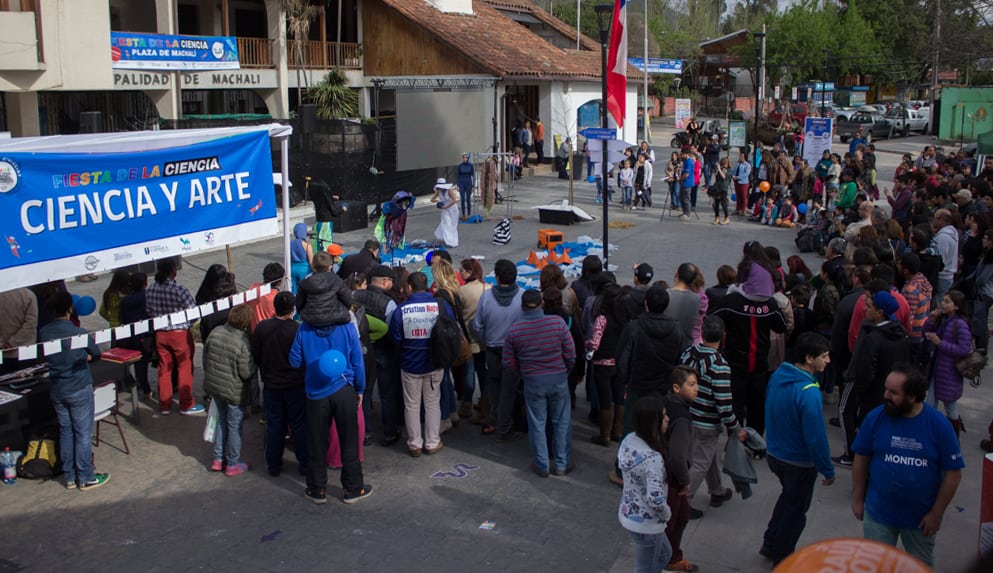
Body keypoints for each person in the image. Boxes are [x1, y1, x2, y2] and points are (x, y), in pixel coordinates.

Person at [851, 364, 964, 568]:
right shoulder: (875, 418)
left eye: (893, 393)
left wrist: (936, 514)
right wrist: (858, 498)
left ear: (912, 397)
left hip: (920, 521)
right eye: (886, 389)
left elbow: (953, 474)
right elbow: (861, 458)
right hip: (878, 514)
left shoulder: (938, 425)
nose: (885, 395)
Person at [289, 289, 371, 505]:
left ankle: (317, 488)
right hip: (344, 389)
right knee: (349, 440)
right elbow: (357, 360)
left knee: (316, 442)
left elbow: (294, 360)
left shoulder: (305, 329)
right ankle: (353, 488)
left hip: (316, 392)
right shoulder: (346, 327)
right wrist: (360, 388)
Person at [761, 332, 836, 566]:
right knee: (796, 513)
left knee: (788, 499)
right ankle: (782, 558)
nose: (828, 361)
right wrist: (827, 469)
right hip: (798, 462)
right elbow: (815, 437)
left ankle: (770, 543)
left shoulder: (779, 376)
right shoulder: (809, 392)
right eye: (824, 356)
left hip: (775, 453)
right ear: (809, 358)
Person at [38, 291, 109, 491]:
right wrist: (85, 358)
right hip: (78, 386)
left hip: (57, 388)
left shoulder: (44, 333)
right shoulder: (77, 332)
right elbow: (96, 353)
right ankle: (86, 476)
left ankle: (69, 476)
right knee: (83, 433)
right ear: (70, 309)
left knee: (66, 431)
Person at [503, 290, 576, 477]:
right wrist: (564, 371)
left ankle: (541, 464)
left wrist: (524, 373)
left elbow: (508, 362)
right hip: (558, 378)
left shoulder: (514, 330)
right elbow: (571, 353)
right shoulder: (557, 323)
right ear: (542, 303)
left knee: (537, 423)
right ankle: (562, 463)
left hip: (533, 382)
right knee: (561, 422)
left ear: (522, 306)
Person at [835, 289, 911, 467]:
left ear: (880, 312)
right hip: (886, 393)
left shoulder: (874, 338)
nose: (865, 310)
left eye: (869, 307)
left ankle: (852, 457)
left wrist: (861, 391)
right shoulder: (900, 334)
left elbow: (866, 370)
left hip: (871, 395)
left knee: (850, 414)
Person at [682, 316, 743, 519]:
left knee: (707, 457)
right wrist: (735, 427)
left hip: (688, 415)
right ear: (723, 336)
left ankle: (717, 490)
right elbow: (724, 404)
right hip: (708, 421)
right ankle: (682, 502)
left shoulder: (688, 354)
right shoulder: (719, 364)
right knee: (700, 462)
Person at [389, 272, 453, 456]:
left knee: (411, 404)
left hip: (410, 363)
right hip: (435, 362)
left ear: (409, 287)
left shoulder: (401, 310)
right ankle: (432, 442)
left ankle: (414, 443)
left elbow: (395, 337)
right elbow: (451, 328)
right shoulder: (440, 306)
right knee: (433, 402)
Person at [253, 291, 308, 478]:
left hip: (271, 384)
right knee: (299, 425)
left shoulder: (262, 328)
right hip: (295, 385)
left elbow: (256, 355)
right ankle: (304, 464)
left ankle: (273, 465)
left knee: (275, 425)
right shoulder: (298, 330)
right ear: (293, 309)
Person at [618, 395, 672, 572]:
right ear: (653, 422)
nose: (667, 419)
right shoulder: (653, 459)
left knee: (665, 554)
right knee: (645, 568)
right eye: (663, 416)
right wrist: (666, 513)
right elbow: (655, 499)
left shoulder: (629, 440)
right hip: (647, 524)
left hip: (629, 513)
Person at [472, 259, 524, 439]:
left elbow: (477, 325)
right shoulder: (522, 297)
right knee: (513, 388)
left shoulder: (486, 297)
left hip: (492, 349)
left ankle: (498, 419)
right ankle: (511, 420)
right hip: (515, 351)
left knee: (494, 386)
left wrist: (485, 340)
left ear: (497, 277)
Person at [203, 304, 257, 476]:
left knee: (221, 420)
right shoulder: (243, 342)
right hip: (234, 391)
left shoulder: (216, 332)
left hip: (215, 386)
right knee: (234, 426)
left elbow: (205, 358)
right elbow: (247, 372)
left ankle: (218, 459)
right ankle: (233, 463)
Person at [145, 258, 203, 416]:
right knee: (184, 368)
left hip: (160, 334)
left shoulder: (151, 289)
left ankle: (165, 404)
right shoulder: (179, 289)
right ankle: (186, 404)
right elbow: (193, 311)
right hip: (179, 335)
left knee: (164, 369)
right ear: (172, 271)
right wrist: (188, 324)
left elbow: (149, 311)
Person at [663, 366, 701, 573]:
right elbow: (678, 456)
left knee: (682, 515)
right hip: (673, 477)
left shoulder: (668, 404)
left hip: (667, 474)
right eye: (692, 385)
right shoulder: (682, 418)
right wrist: (685, 479)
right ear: (677, 388)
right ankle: (668, 558)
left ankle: (671, 555)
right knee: (675, 518)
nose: (697, 389)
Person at [586, 283, 632, 446]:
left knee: (605, 399)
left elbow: (595, 342)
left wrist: (587, 344)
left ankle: (604, 435)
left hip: (602, 363)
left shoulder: (602, 319)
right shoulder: (626, 318)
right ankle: (618, 430)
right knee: (619, 397)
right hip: (619, 362)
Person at [923, 290, 972, 438]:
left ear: (956, 306)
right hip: (936, 369)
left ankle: (953, 435)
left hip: (950, 372)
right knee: (930, 404)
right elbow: (925, 333)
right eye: (943, 301)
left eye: (947, 302)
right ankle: (929, 434)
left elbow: (964, 349)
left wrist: (940, 343)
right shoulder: (942, 319)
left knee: (950, 406)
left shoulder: (960, 324)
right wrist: (931, 320)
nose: (943, 304)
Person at [459, 258, 490, 421]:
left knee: (469, 372)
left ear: (469, 272)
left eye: (462, 270)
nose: (460, 273)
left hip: (468, 338)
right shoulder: (488, 288)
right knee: (483, 372)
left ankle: (466, 403)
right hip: (484, 339)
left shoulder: (462, 291)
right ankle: (485, 403)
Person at [118, 273, 153, 400]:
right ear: (145, 283)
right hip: (148, 334)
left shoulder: (125, 300)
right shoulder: (148, 296)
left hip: (132, 335)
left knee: (139, 364)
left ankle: (144, 388)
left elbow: (121, 318)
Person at [296, 251, 352, 328]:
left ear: (313, 266)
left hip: (311, 320)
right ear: (330, 266)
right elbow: (347, 300)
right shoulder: (337, 280)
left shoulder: (304, 283)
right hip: (335, 318)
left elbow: (299, 305)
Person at [664, 263, 702, 342]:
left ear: (676, 274)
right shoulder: (696, 299)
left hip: (666, 341)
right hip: (686, 344)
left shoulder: (665, 294)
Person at [309, 180, 346, 253]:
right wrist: (343, 209)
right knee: (326, 244)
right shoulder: (326, 197)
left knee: (317, 243)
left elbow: (324, 200)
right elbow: (334, 212)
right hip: (326, 223)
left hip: (318, 221)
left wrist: (332, 197)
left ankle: (317, 258)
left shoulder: (316, 196)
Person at [932, 209, 959, 303]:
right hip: (947, 275)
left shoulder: (943, 237)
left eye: (935, 218)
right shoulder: (952, 232)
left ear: (942, 220)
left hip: (942, 276)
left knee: (938, 304)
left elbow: (940, 259)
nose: (933, 221)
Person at [430, 178, 459, 248]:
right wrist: (438, 201)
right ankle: (449, 241)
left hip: (452, 208)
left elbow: (454, 200)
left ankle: (452, 239)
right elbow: (432, 199)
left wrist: (447, 206)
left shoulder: (449, 190)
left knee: (452, 225)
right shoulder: (438, 191)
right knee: (447, 223)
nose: (440, 188)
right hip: (444, 209)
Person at [290, 223, 313, 294]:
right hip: (304, 269)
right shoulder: (307, 245)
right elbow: (311, 260)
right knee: (305, 289)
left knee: (294, 289)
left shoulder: (290, 243)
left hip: (292, 268)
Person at [709, 156, 730, 225]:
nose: (723, 165)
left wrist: (720, 170)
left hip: (723, 188)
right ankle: (716, 217)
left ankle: (726, 218)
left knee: (723, 203)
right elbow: (716, 176)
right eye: (722, 164)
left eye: (724, 164)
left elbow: (724, 177)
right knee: (716, 204)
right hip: (718, 188)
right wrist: (717, 170)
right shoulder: (720, 168)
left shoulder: (728, 170)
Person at [455, 153, 475, 219]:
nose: (464, 159)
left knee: (468, 199)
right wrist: (457, 185)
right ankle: (463, 214)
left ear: (468, 158)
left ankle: (469, 214)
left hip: (469, 182)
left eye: (466, 158)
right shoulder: (460, 166)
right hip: (461, 182)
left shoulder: (471, 165)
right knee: (462, 199)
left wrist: (473, 186)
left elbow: (474, 176)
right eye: (463, 158)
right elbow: (457, 176)